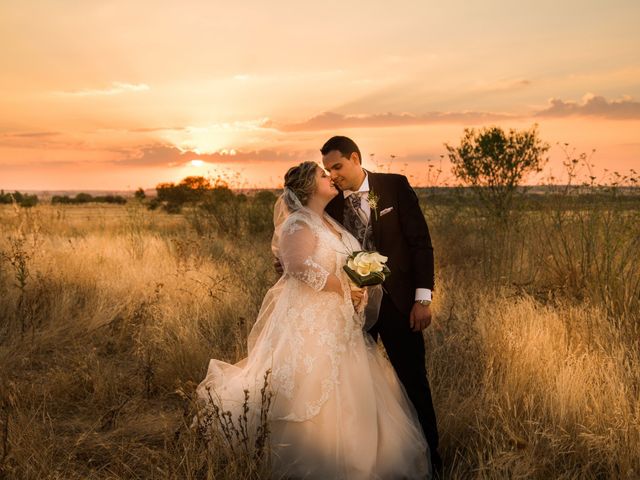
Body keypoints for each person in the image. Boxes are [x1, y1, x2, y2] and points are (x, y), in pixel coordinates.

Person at [194, 161, 431, 479]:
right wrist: (343, 288)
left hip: (341, 326)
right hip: (312, 325)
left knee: (356, 392)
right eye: (322, 174)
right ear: (307, 187)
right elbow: (296, 266)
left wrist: (362, 281)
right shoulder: (298, 223)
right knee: (313, 391)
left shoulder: (331, 221)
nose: (330, 177)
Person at [322, 135, 442, 471]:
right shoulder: (329, 203)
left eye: (338, 166)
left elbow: (421, 243)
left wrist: (423, 299)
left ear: (355, 158)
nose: (333, 175)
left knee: (414, 381)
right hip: (353, 310)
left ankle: (432, 460)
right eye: (327, 169)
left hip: (399, 304)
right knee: (359, 388)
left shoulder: (393, 187)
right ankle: (371, 463)